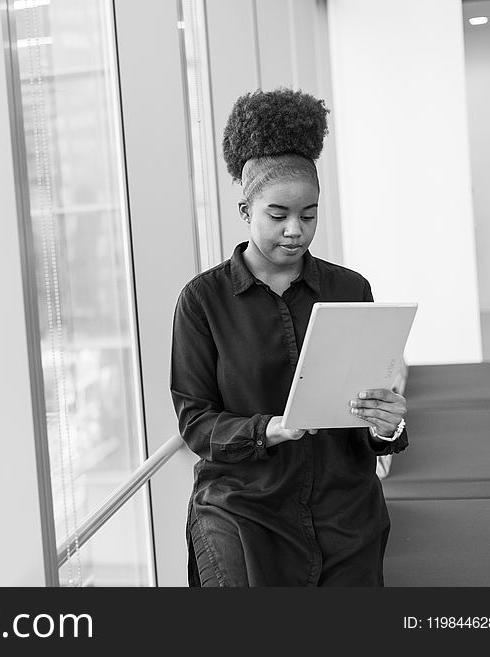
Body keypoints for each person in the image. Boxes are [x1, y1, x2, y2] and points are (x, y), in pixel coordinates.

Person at [170, 88, 408, 587]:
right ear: (245, 210)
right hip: (242, 509)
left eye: (309, 215)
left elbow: (366, 412)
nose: (296, 230)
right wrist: (269, 429)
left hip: (344, 511)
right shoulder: (203, 300)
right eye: (278, 216)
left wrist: (386, 425)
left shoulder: (350, 289)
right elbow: (197, 424)